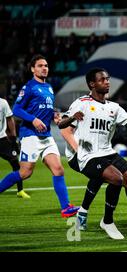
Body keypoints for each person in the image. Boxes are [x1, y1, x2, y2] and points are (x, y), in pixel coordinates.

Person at [59, 67, 127, 239]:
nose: (107, 82)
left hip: (107, 152)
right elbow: (62, 124)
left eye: (108, 79)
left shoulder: (114, 107)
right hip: (88, 155)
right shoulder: (82, 103)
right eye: (102, 79)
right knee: (116, 178)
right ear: (92, 84)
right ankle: (107, 221)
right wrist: (72, 117)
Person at [0, 55, 79, 217]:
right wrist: (33, 119)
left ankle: (66, 208)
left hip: (46, 136)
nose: (44, 68)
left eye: (46, 65)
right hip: (30, 135)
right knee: (25, 173)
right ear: (32, 69)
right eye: (40, 65)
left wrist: (55, 116)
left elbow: (45, 109)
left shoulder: (49, 88)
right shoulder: (29, 87)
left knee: (58, 169)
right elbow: (17, 109)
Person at [59, 110, 127, 232]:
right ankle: (87, 214)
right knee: (105, 174)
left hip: (103, 153)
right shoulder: (84, 104)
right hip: (78, 156)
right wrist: (80, 151)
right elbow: (64, 130)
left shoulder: (112, 108)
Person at [0, 97, 30, 198]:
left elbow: (9, 118)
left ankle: (20, 190)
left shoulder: (3, 102)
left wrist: (13, 135)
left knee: (16, 164)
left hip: (2, 139)